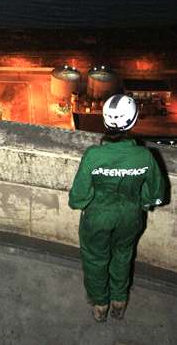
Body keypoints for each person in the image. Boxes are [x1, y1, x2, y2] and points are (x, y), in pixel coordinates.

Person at [69, 94, 165, 322]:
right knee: (123, 256)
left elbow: (78, 198)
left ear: (105, 121)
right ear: (132, 122)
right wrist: (139, 202)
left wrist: (89, 202)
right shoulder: (145, 156)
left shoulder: (94, 156)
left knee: (95, 259)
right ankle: (119, 301)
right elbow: (155, 195)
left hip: (98, 218)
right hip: (130, 218)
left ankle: (100, 305)